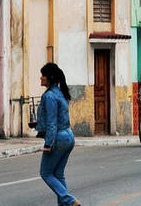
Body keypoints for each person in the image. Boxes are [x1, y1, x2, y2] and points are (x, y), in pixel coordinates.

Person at [36, 63, 80, 206]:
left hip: (59, 138)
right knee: (58, 174)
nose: (41, 78)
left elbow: (52, 123)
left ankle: (69, 200)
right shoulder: (60, 93)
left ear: (50, 78)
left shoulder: (49, 96)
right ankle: (65, 204)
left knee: (46, 173)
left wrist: (48, 144)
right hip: (68, 136)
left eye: (43, 75)